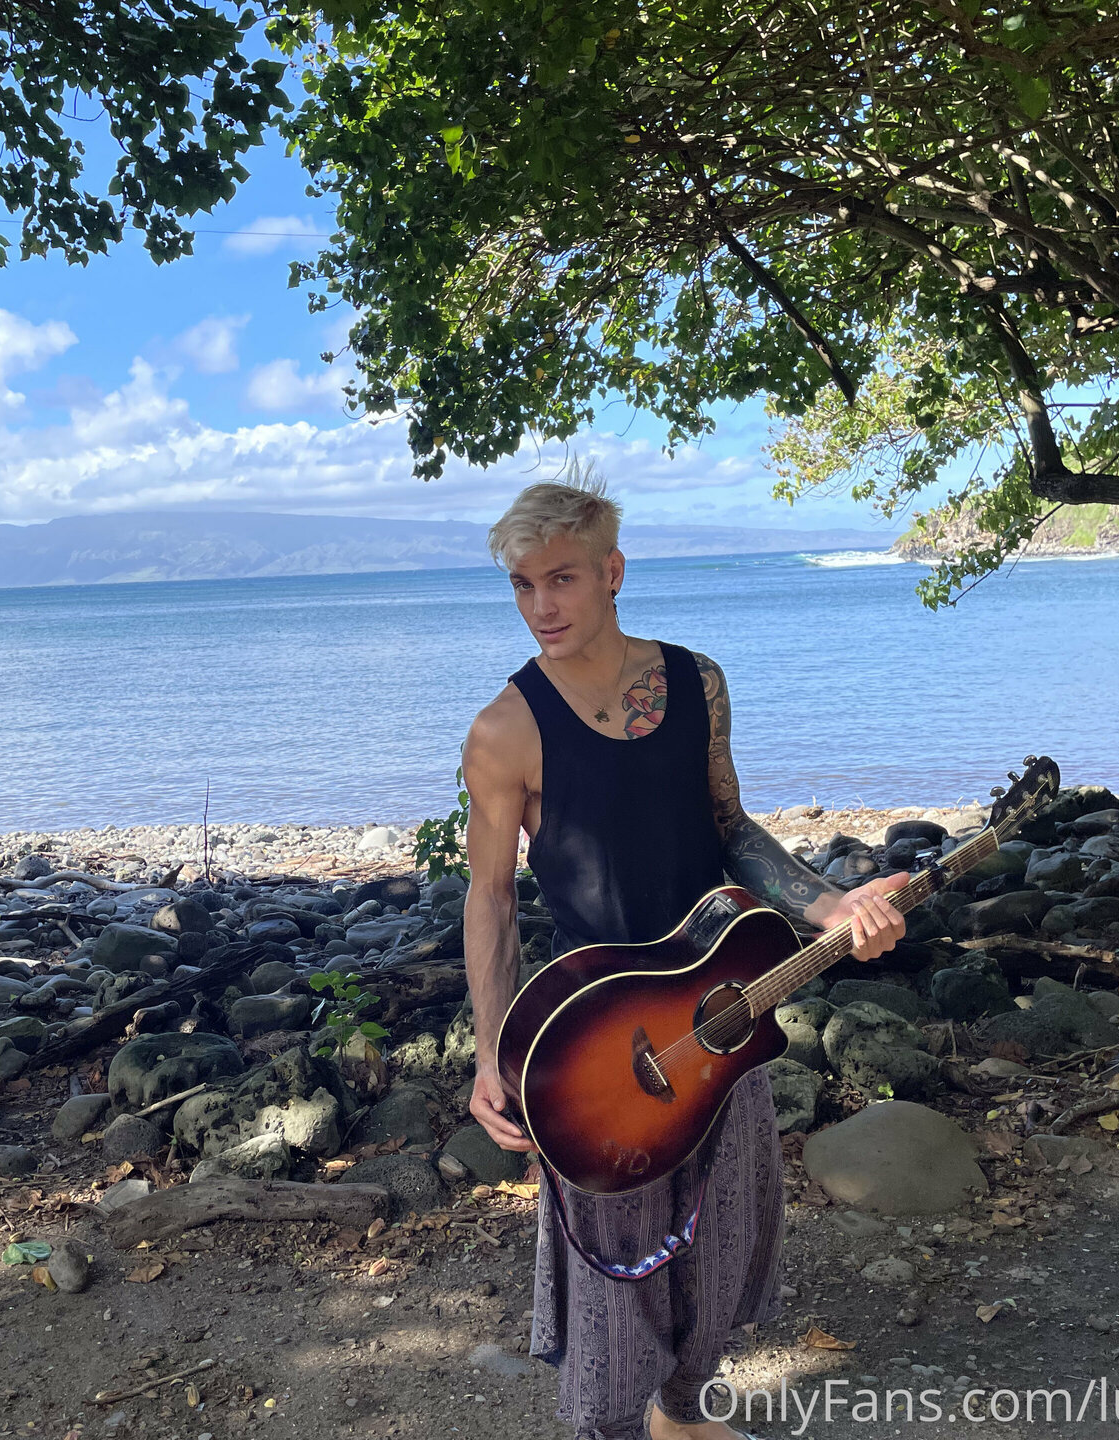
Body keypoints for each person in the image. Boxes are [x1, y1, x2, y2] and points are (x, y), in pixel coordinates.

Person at [460, 476, 909, 1440]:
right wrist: (492, 1055)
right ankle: (611, 1427)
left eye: (563, 578)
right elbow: (489, 899)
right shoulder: (505, 733)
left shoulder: (697, 684)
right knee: (614, 1273)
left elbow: (729, 827)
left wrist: (833, 905)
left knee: (725, 1231)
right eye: (523, 585)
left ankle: (684, 1416)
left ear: (613, 573)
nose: (541, 606)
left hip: (722, 1004)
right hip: (594, 1040)